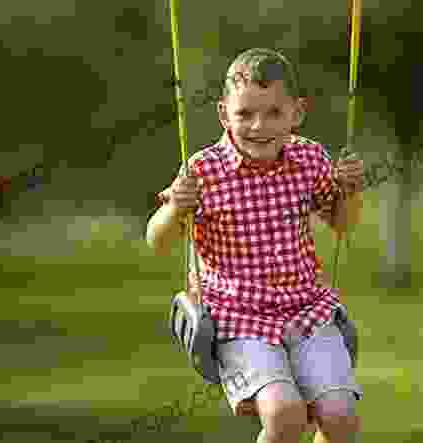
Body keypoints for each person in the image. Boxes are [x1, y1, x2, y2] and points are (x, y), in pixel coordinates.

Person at [146, 48, 367, 443]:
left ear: (297, 113)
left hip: (306, 311)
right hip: (239, 319)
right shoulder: (203, 170)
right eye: (245, 114)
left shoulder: (310, 158)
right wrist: (175, 209)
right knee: (285, 417)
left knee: (340, 418)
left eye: (273, 113)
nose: (258, 126)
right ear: (223, 114)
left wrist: (351, 192)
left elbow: (343, 224)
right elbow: (157, 240)